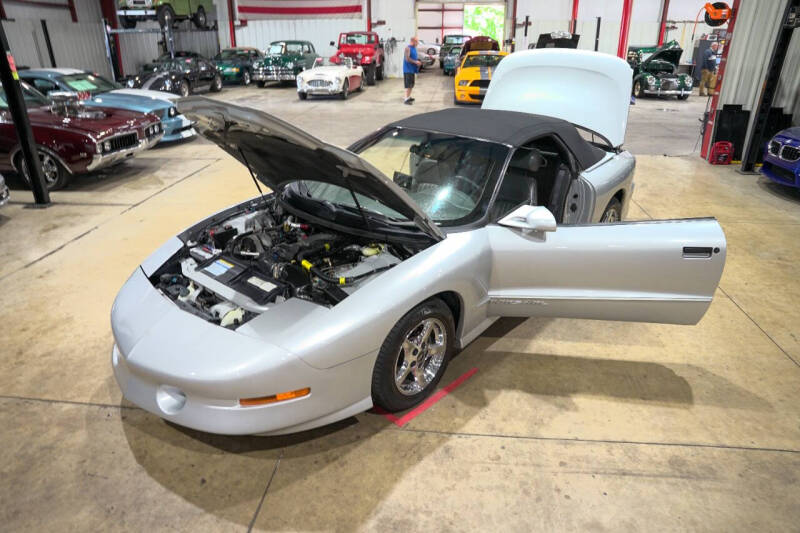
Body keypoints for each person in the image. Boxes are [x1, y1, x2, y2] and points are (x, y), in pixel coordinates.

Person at [403, 36, 422, 105]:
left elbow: (413, 57)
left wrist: (417, 61)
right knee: (409, 85)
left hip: (412, 69)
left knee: (411, 84)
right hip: (408, 69)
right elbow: (407, 59)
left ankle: (409, 97)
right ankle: (406, 99)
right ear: (413, 41)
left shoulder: (414, 48)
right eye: (417, 41)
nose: (417, 43)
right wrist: (416, 62)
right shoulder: (408, 48)